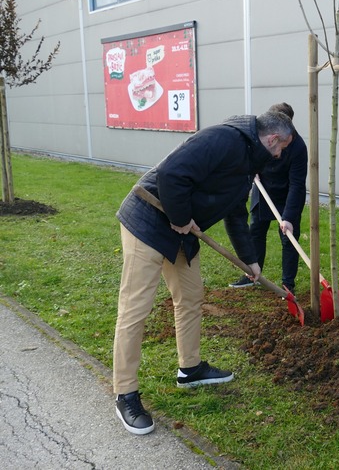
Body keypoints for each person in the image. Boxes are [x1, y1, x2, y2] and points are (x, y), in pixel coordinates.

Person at [113, 111, 295, 435]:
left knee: (191, 297)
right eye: (281, 149)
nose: (280, 156)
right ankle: (125, 393)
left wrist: (250, 261)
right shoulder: (224, 139)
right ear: (272, 140)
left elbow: (236, 213)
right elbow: (171, 173)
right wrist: (181, 217)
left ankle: (191, 369)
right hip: (148, 220)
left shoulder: (248, 161)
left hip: (180, 231)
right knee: (135, 310)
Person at [228, 103, 308, 295]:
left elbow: (297, 184)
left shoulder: (297, 146)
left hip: (288, 194)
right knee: (256, 230)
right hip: (263, 189)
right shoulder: (261, 136)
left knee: (289, 238)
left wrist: (288, 217)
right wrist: (253, 171)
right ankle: (252, 275)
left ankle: (288, 284)